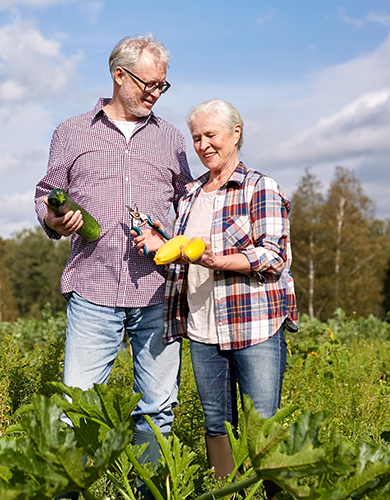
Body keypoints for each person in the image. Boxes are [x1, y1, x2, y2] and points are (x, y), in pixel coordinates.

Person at [33, 34, 193, 495]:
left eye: (163, 86)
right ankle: (73, 492)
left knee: (158, 408)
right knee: (76, 409)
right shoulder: (72, 131)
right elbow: (46, 193)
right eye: (148, 83)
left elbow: (187, 201)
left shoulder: (171, 138)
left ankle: (149, 494)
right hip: (93, 289)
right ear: (119, 75)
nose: (155, 93)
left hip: (157, 292)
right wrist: (55, 217)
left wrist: (173, 238)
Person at [134, 99, 297, 494]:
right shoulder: (189, 196)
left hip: (254, 325)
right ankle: (231, 493)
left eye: (212, 135)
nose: (204, 145)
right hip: (203, 329)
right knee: (216, 424)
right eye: (197, 138)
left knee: (262, 422)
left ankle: (273, 494)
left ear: (235, 133)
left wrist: (217, 259)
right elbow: (181, 264)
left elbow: (275, 255)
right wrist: (160, 247)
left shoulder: (261, 187)